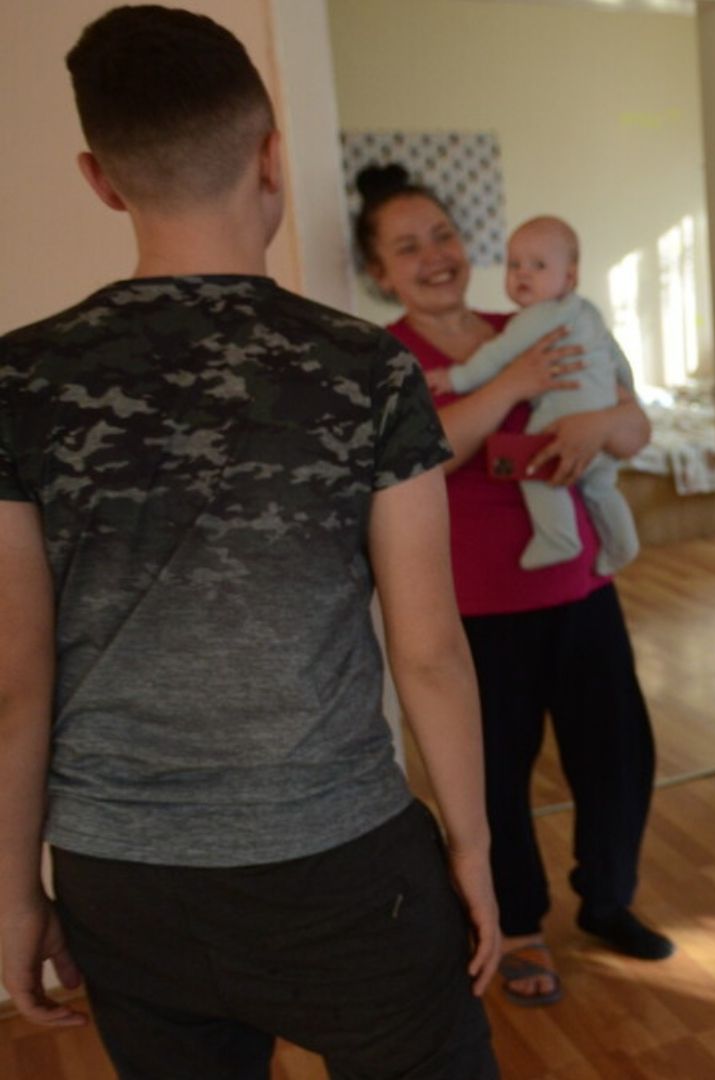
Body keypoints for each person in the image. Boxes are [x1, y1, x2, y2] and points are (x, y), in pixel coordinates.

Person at [0, 7, 500, 1077]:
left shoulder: (19, 381)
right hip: (342, 865)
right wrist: (474, 845)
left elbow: (14, 677)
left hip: (122, 880)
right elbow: (428, 650)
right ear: (271, 155)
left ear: (101, 177)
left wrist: (11, 896)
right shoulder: (363, 368)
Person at [352, 163, 672, 1010]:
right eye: (407, 247)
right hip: (472, 614)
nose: (434, 257)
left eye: (444, 236)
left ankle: (607, 901)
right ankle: (521, 923)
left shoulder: (535, 315)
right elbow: (431, 448)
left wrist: (601, 421)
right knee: (496, 779)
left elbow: (635, 423)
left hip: (579, 588)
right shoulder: (385, 358)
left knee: (620, 758)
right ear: (381, 271)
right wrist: (513, 385)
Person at [424, 215, 640, 576]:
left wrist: (455, 379)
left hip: (562, 416)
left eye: (538, 266)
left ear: (569, 278)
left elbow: (496, 356)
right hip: (603, 420)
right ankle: (622, 545)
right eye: (514, 265)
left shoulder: (533, 319)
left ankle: (559, 536)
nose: (523, 274)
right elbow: (618, 359)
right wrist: (623, 396)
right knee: (602, 488)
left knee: (535, 466)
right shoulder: (589, 313)